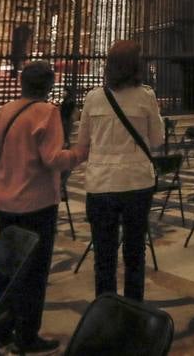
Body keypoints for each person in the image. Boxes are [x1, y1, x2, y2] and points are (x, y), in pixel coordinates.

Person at [0, 60, 77, 353]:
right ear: (49, 85)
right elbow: (53, 159)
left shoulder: (6, 110)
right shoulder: (47, 112)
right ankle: (26, 335)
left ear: (22, 83)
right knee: (35, 272)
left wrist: (6, 176)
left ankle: (0, 328)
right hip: (36, 204)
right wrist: (79, 154)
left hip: (5, 201)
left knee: (6, 268)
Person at [71, 40, 165, 301]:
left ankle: (105, 311)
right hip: (136, 182)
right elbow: (157, 141)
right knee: (135, 253)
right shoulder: (146, 96)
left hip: (101, 184)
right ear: (136, 66)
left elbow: (82, 143)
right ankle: (134, 308)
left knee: (104, 254)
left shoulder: (93, 97)